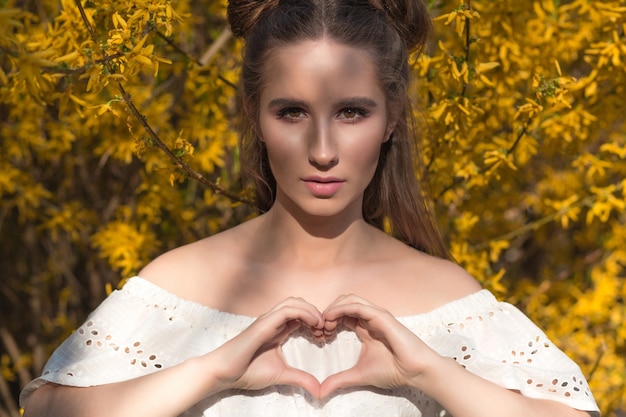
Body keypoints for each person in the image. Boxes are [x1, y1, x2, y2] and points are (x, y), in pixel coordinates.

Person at [20, 0, 600, 416]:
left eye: (352, 112)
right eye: (292, 112)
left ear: (392, 115)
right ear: (253, 114)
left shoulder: (448, 301)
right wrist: (209, 371)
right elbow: (47, 409)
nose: (323, 152)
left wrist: (430, 372)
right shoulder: (177, 285)